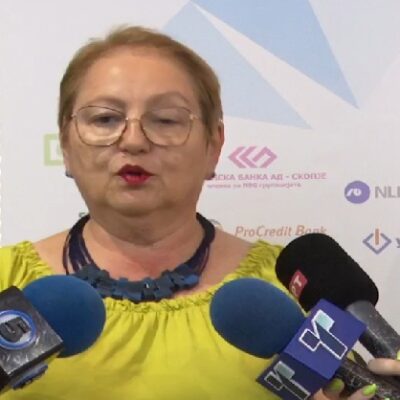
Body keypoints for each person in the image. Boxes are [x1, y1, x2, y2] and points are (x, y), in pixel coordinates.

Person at [0, 26, 398, 400]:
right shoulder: (7, 278)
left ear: (214, 145)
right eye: (105, 119)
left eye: (166, 120)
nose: (133, 141)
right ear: (65, 145)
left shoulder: (292, 291)